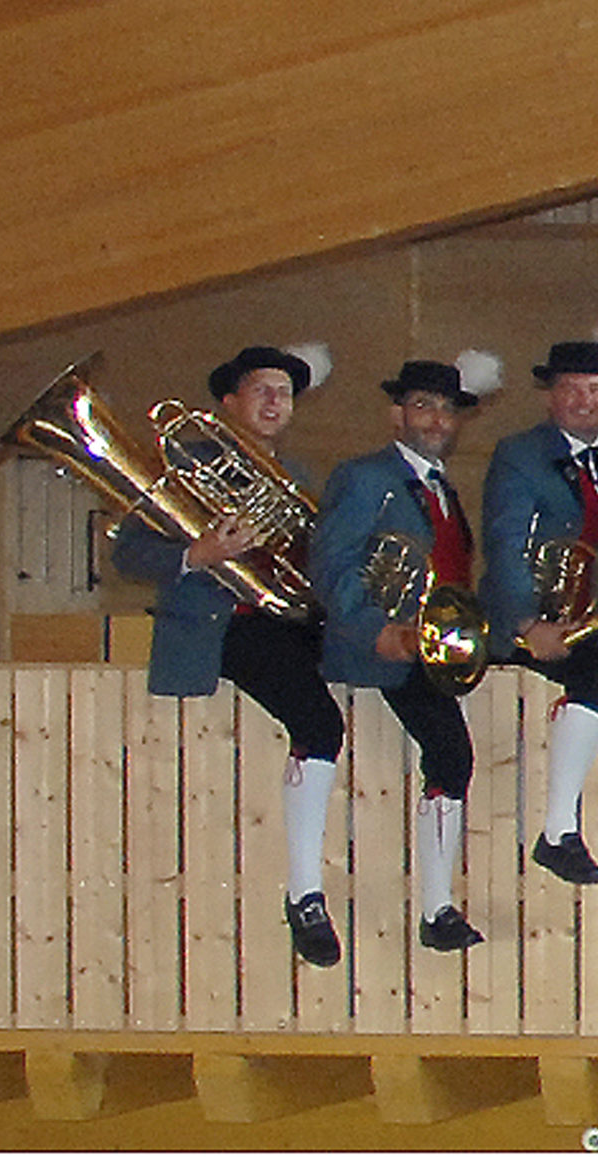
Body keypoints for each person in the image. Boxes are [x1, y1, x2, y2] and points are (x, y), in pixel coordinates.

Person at [115, 346, 350, 963]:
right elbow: (127, 553)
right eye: (260, 391)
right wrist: (197, 555)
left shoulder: (297, 473)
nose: (275, 402)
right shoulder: (187, 466)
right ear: (228, 403)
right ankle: (305, 894)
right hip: (225, 628)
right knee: (320, 723)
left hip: (290, 620)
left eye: (285, 393)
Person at [308, 357, 501, 952]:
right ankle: (437, 908)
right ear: (397, 414)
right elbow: (333, 564)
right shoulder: (365, 477)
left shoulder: (441, 487)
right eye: (423, 406)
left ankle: (439, 906)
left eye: (446, 410)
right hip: (385, 651)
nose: (437, 419)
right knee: (451, 754)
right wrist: (377, 630)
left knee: (452, 760)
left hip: (430, 648)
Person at [484, 334, 598, 886]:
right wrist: (527, 624)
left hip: (595, 621)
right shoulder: (518, 455)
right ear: (549, 397)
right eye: (571, 389)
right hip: (537, 617)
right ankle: (558, 831)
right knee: (590, 681)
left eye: (595, 388)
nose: (585, 400)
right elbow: (506, 544)